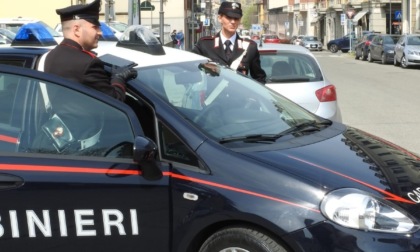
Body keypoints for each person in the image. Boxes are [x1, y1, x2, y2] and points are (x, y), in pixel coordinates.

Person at [44, 0, 137, 102]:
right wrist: (119, 78)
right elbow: (115, 101)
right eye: (95, 27)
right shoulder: (88, 63)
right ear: (76, 30)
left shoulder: (52, 55)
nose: (100, 32)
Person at [191, 1, 266, 84]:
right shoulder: (205, 44)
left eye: (236, 18)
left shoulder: (250, 47)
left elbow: (259, 78)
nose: (233, 22)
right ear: (220, 18)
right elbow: (191, 69)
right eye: (229, 18)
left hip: (239, 96)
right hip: (214, 96)